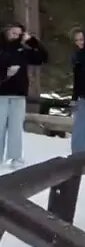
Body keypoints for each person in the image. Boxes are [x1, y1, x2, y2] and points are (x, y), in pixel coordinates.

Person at [0, 23, 48, 168]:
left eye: (18, 34)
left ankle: (15, 157)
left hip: (19, 94)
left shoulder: (23, 51)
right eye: (13, 33)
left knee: (16, 128)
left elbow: (43, 57)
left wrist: (32, 42)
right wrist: (5, 74)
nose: (15, 36)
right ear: (6, 32)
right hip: (1, 94)